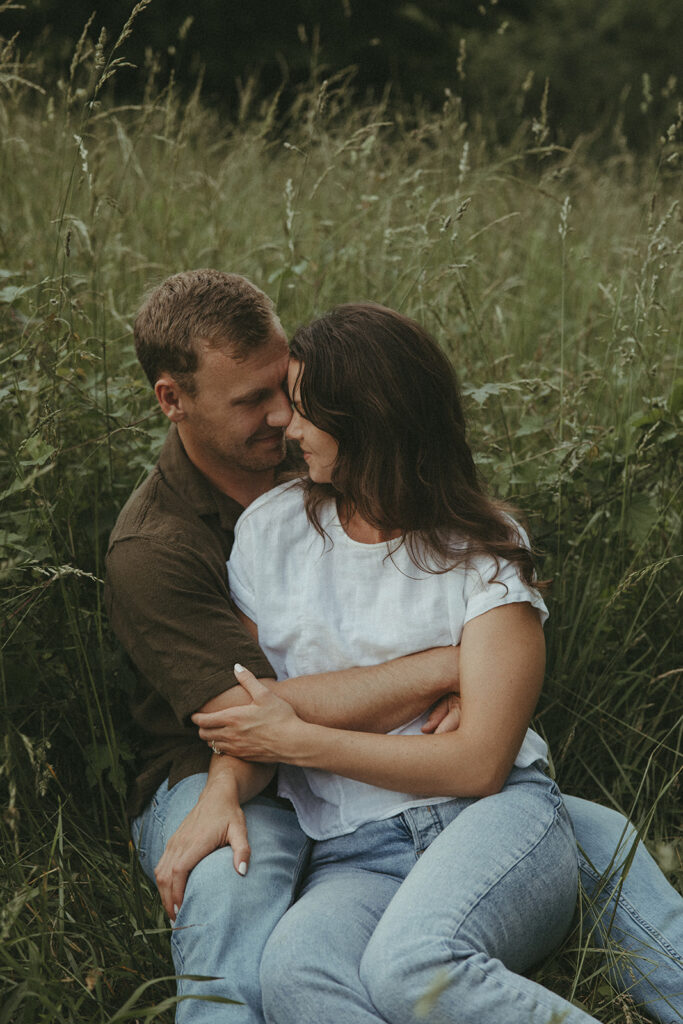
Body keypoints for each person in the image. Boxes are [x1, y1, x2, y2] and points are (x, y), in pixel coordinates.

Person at [105, 271, 683, 1024]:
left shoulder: (470, 543)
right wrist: (452, 665)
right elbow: (251, 715)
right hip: (319, 823)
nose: (283, 422)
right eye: (257, 402)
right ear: (172, 399)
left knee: (419, 959)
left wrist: (306, 733)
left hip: (475, 807)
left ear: (363, 421)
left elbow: (472, 761)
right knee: (289, 970)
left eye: (294, 399)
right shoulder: (206, 538)